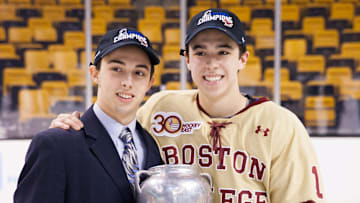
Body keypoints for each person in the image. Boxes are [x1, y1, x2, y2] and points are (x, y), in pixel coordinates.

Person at [49, 9, 325, 203]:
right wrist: (72, 127)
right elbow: (112, 131)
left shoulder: (280, 124)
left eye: (224, 51)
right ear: (188, 60)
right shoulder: (161, 108)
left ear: (243, 59)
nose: (211, 63)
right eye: (200, 52)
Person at [14, 27, 163, 203]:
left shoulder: (152, 147)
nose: (127, 82)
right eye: (116, 69)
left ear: (149, 83)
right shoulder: (55, 145)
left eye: (139, 73)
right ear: (95, 73)